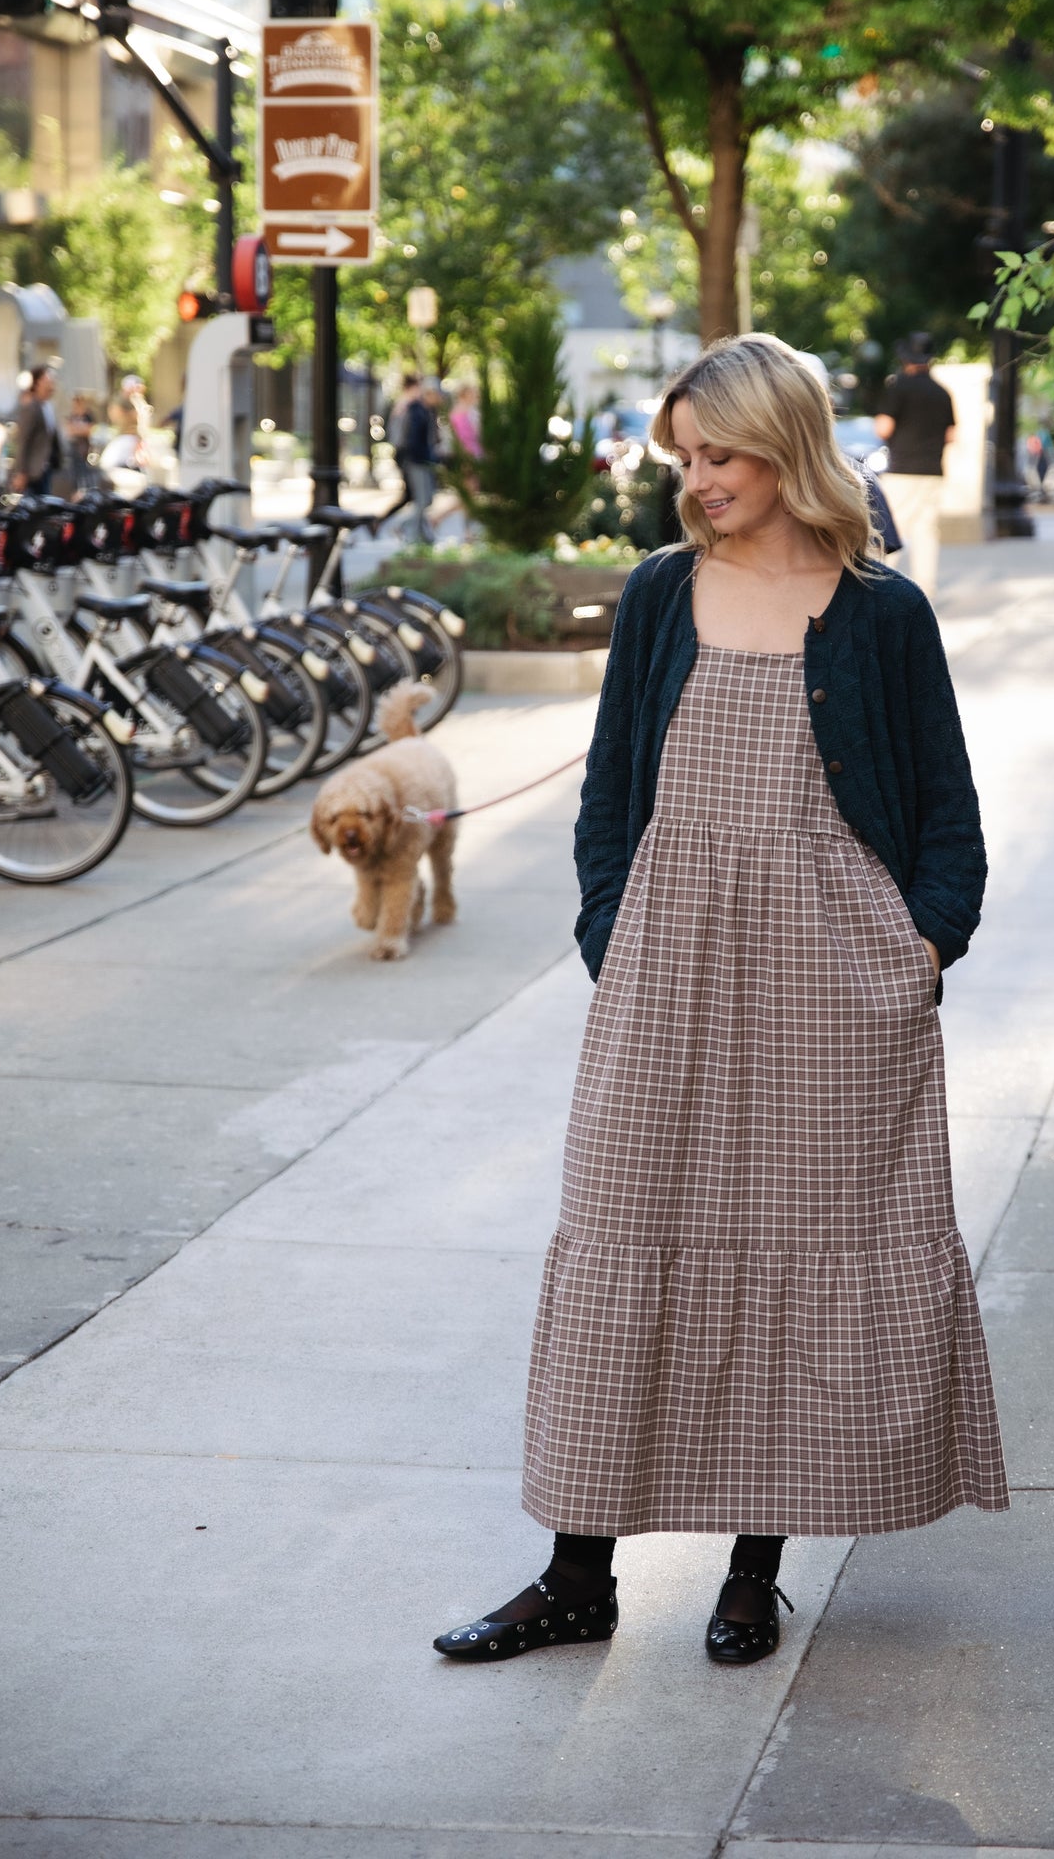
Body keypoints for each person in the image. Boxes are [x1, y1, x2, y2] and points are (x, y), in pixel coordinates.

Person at [433, 332, 1005, 1671]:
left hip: (834, 988)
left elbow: (948, 818)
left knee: (797, 1256)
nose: (698, 480)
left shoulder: (879, 612)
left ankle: (755, 1569)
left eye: (722, 456)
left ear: (788, 446)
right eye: (684, 458)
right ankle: (578, 1575)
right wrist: (608, 934)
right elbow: (608, 797)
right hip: (668, 979)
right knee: (629, 1232)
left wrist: (918, 955)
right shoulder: (656, 595)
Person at [874, 332, 955, 600]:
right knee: (926, 533)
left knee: (889, 530)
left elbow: (883, 427)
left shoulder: (899, 387)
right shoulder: (943, 392)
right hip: (932, 471)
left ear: (906, 358)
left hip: (901, 471)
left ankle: (878, 588)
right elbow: (951, 435)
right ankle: (925, 592)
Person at [396, 379, 439, 547]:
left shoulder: (428, 411)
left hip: (424, 460)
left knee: (427, 499)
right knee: (421, 499)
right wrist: (425, 455)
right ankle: (409, 532)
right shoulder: (416, 411)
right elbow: (412, 440)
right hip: (415, 460)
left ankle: (422, 534)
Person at [9, 366, 62, 497]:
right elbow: (23, 440)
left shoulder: (49, 407)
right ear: (37, 382)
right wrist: (21, 472)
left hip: (46, 468)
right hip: (31, 472)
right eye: (48, 380)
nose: (52, 384)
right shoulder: (31, 407)